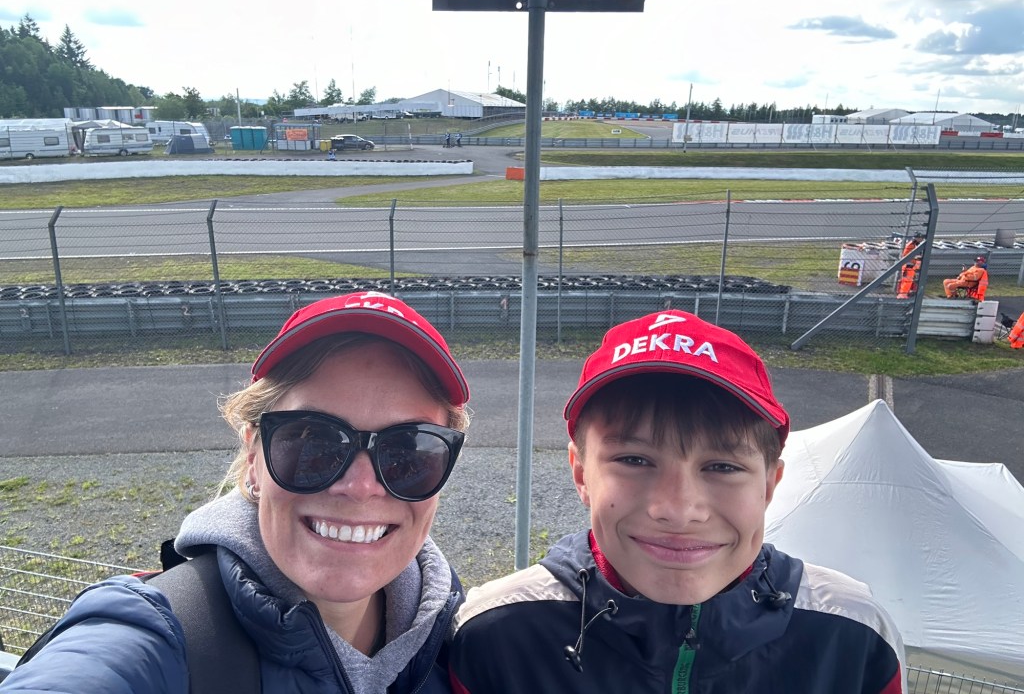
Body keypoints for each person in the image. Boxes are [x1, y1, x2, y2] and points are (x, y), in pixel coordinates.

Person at [2, 291, 471, 693]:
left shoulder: (466, 642)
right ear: (254, 456)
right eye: (313, 442)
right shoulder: (155, 633)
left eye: (408, 453)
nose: (360, 487)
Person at [449, 309, 906, 693]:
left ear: (769, 485)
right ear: (582, 474)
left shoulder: (856, 637)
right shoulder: (493, 636)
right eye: (634, 460)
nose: (678, 510)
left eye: (722, 467)